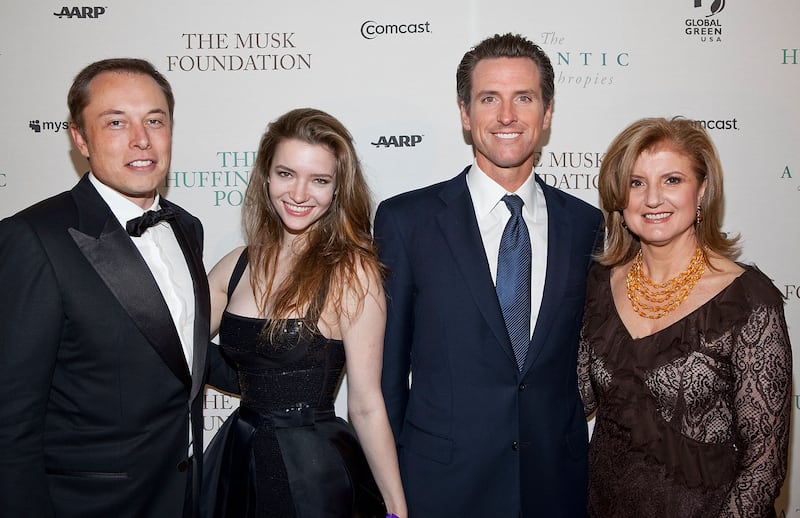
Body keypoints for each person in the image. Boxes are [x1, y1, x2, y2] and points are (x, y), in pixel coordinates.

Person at [374, 33, 603, 517]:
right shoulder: (406, 222)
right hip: (439, 487)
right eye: (488, 99)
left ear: (546, 114)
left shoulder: (586, 225)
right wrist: (390, 493)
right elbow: (387, 377)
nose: (506, 116)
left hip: (556, 487)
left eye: (524, 98)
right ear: (464, 113)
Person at [0, 58, 214, 517]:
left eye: (154, 121)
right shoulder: (33, 238)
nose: (142, 139)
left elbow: (173, 356)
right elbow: (11, 421)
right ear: (80, 138)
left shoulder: (186, 228)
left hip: (183, 497)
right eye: (116, 122)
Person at [578, 117, 792, 517]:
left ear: (703, 190)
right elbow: (576, 398)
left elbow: (764, 464)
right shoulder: (597, 286)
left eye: (672, 180)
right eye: (636, 182)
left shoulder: (747, 301)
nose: (653, 198)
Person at [203, 107, 407, 518]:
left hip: (313, 474)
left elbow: (366, 404)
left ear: (337, 190)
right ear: (265, 176)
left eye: (319, 180)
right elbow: (174, 347)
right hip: (238, 459)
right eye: (286, 174)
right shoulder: (237, 264)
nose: (298, 194)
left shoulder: (353, 273)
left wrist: (396, 509)